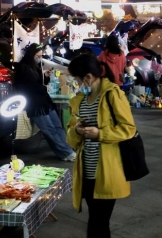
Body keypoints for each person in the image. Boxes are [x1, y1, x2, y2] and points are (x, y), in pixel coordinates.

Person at [66, 53, 136, 238]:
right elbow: (71, 133)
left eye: (77, 79)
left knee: (98, 220)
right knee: (96, 220)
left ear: (88, 77)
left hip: (108, 170)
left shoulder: (113, 93)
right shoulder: (79, 99)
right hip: (86, 170)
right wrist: (78, 131)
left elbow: (128, 128)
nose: (77, 84)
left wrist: (101, 134)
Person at [14, 43, 76, 162]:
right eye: (37, 56)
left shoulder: (35, 66)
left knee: (57, 126)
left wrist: (46, 76)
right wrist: (43, 87)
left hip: (44, 101)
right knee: (49, 130)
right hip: (35, 104)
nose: (39, 58)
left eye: (41, 56)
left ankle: (66, 151)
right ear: (32, 54)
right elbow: (28, 87)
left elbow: (38, 81)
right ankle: (66, 152)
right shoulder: (24, 68)